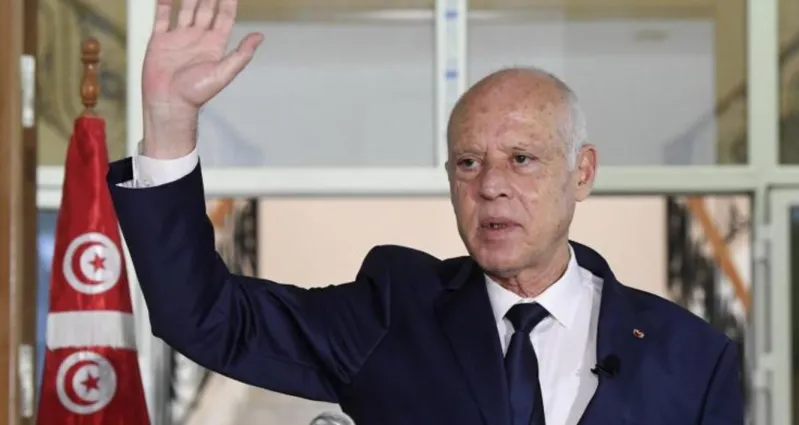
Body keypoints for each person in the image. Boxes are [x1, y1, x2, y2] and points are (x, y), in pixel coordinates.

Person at [107, 0, 744, 424]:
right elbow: (204, 318)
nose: (490, 185)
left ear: (582, 173)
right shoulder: (392, 313)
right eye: (468, 163)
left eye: (522, 159)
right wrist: (169, 122)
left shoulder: (691, 356)